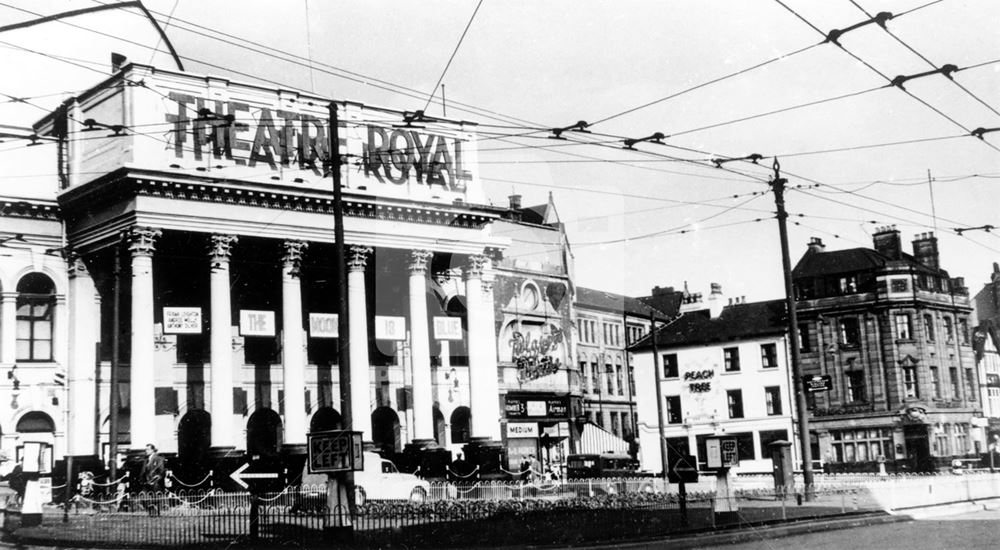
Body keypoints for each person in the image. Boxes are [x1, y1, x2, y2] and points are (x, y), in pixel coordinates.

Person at [139, 443, 166, 516]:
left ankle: (155, 512)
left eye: (148, 449)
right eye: (146, 449)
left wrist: (156, 480)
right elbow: (143, 472)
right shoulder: (146, 460)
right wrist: (142, 480)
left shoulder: (158, 459)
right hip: (146, 482)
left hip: (155, 483)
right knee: (143, 497)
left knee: (155, 497)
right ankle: (151, 510)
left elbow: (161, 471)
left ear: (153, 450)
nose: (146, 451)